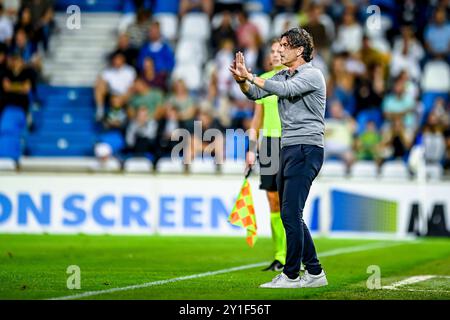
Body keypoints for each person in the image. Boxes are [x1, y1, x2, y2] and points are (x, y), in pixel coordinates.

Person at [230, 27, 328, 288]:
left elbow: (284, 91)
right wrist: (243, 80)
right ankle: (315, 272)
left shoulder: (312, 75)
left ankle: (292, 274)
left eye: (285, 45)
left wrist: (251, 75)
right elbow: (255, 94)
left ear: (299, 50)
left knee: (289, 213)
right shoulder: (284, 74)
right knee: (291, 214)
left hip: (306, 149)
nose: (279, 50)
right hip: (289, 148)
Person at [245, 39, 286, 272]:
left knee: (289, 200)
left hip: (289, 142)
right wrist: (251, 149)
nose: (275, 54)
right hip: (269, 145)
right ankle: (280, 255)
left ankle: (293, 254)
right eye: (272, 51)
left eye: (279, 50)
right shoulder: (263, 79)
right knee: (273, 200)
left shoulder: (295, 79)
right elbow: (257, 119)